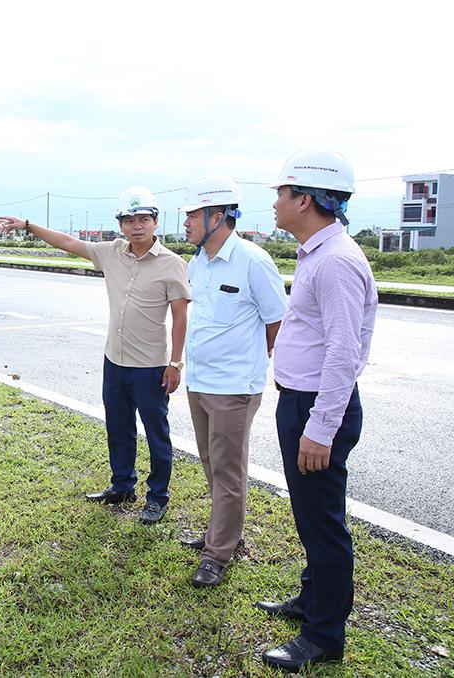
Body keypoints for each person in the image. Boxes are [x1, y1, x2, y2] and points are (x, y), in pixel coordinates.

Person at [0, 187, 189, 524]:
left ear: (156, 222)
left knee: (157, 433)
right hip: (115, 361)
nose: (136, 226)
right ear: (121, 225)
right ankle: (122, 485)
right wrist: (27, 225)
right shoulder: (112, 252)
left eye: (143, 219)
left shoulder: (172, 265)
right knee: (118, 426)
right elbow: (67, 243)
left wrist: (175, 363)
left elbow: (181, 317)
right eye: (129, 220)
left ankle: (157, 497)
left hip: (150, 366)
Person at [256, 150, 377, 672]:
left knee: (324, 523)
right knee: (309, 516)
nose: (275, 203)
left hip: (316, 409)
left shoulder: (336, 262)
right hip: (300, 401)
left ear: (304, 200)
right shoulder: (316, 254)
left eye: (281, 194)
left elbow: (343, 354)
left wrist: (320, 430)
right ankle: (311, 600)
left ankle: (324, 636)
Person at [177, 174, 287, 588]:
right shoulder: (199, 261)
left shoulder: (253, 261)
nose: (185, 223)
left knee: (228, 470)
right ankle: (224, 532)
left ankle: (219, 552)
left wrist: (252, 364)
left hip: (234, 388)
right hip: (201, 381)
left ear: (217, 216)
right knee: (210, 461)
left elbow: (278, 322)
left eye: (192, 216)